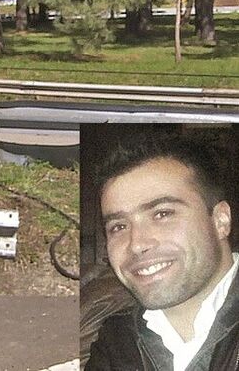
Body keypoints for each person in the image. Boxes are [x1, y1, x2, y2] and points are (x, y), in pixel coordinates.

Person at [86, 138, 238, 370]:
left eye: (162, 214)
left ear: (220, 220)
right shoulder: (115, 342)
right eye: (118, 226)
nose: (136, 244)